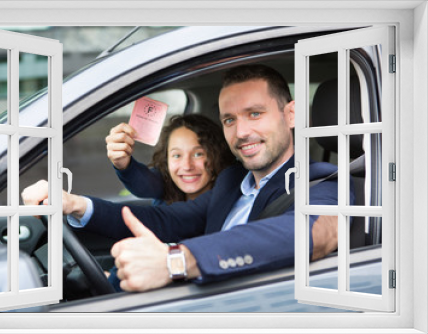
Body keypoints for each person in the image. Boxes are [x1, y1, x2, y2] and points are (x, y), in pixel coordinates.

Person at [22, 64, 348, 293]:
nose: (242, 131)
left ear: (290, 114)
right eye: (230, 119)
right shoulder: (232, 181)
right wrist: (76, 204)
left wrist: (175, 262)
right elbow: (164, 218)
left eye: (255, 113)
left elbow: (309, 233)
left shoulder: (322, 184)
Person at [105, 114, 236, 205]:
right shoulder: (165, 185)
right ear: (166, 160)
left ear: (217, 156)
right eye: (177, 155)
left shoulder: (230, 198)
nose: (187, 166)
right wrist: (124, 165)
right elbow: (144, 183)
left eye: (198, 154)